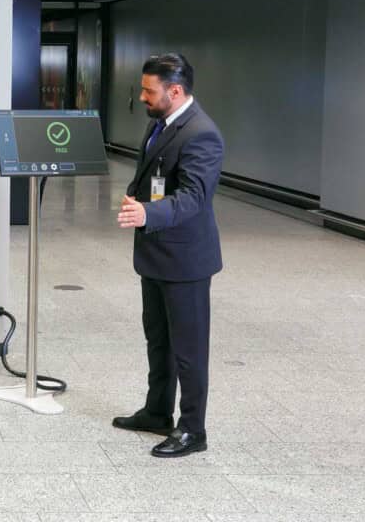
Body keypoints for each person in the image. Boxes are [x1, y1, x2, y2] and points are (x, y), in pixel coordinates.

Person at [115, 53, 224, 458]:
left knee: (188, 351)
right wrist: (137, 195)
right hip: (156, 253)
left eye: (149, 90)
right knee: (158, 340)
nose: (142, 96)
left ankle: (193, 429)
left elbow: (194, 197)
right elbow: (154, 174)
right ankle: (157, 411)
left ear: (175, 91)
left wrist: (149, 211)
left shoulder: (201, 134)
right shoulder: (160, 123)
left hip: (186, 262)